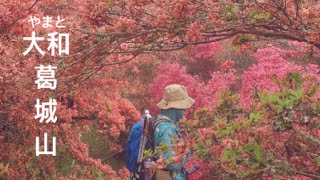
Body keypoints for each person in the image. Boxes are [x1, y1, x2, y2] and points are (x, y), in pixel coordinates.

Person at [154, 84, 195, 180]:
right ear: (175, 108)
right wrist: (189, 150)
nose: (184, 111)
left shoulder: (160, 122)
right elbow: (170, 164)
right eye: (183, 108)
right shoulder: (167, 129)